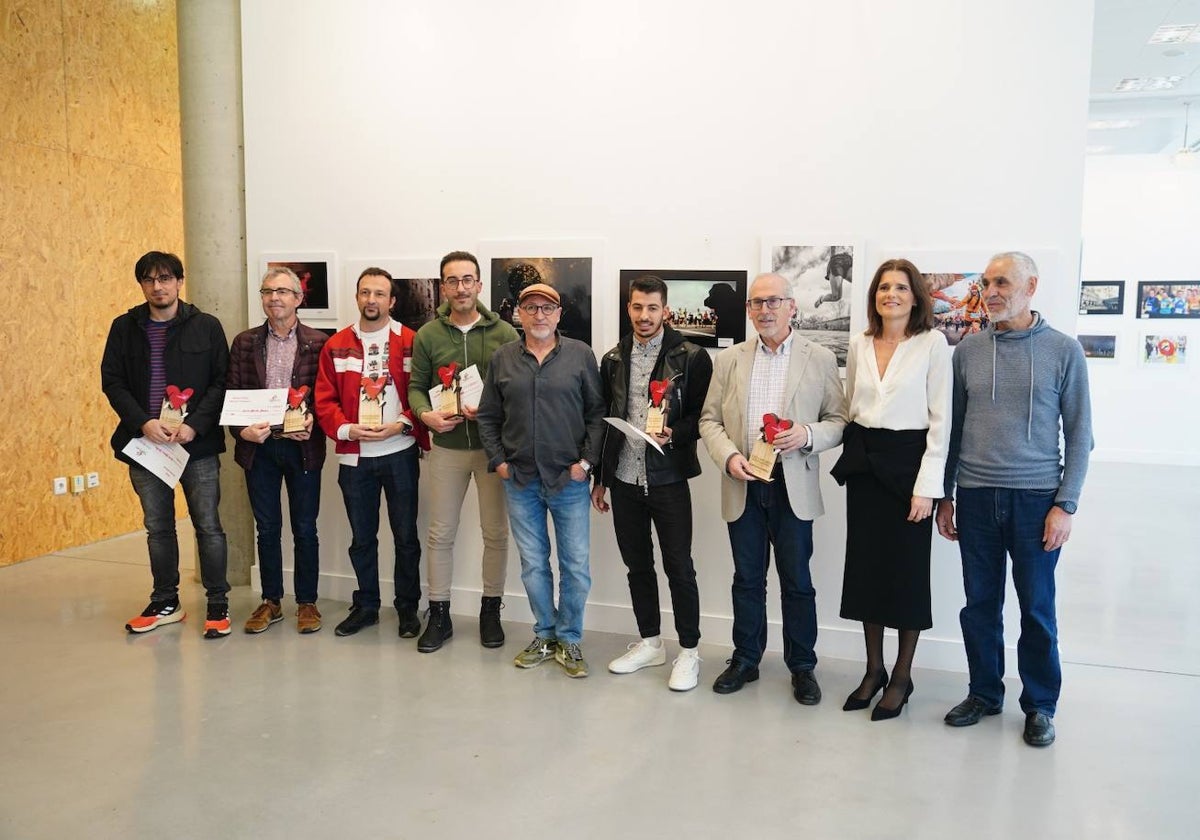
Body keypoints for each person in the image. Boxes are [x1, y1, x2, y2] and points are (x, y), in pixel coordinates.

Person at [936, 251, 1092, 748]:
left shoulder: (1064, 351)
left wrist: (1065, 505)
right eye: (985, 283)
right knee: (979, 605)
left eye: (1002, 282)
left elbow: (1081, 434)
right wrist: (947, 495)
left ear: (1031, 286)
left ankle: (1040, 704)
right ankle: (984, 692)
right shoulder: (968, 351)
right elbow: (953, 430)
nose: (991, 291)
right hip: (977, 498)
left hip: (1035, 500)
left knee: (1036, 610)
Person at [699, 273, 847, 702]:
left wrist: (806, 434)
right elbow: (709, 420)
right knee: (746, 579)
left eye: (774, 301)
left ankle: (802, 666)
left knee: (797, 581)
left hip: (792, 486)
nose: (765, 310)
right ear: (748, 309)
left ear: (791, 307)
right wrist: (728, 456)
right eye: (757, 303)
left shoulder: (818, 358)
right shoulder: (729, 360)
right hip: (743, 482)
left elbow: (838, 423)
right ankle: (746, 658)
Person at [831, 259, 952, 720]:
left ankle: (902, 675)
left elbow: (941, 422)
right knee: (865, 571)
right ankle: (873, 669)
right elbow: (850, 407)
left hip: (909, 469)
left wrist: (928, 489)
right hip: (865, 465)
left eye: (901, 287)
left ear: (916, 296)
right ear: (874, 296)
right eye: (884, 287)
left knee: (904, 575)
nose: (891, 295)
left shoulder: (933, 343)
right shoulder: (859, 344)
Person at [476, 283, 605, 678]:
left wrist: (586, 462)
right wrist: (499, 462)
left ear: (559, 313)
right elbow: (487, 417)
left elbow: (597, 413)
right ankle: (545, 635)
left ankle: (569, 639)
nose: (539, 315)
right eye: (531, 307)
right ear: (519, 313)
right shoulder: (503, 358)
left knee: (576, 566)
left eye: (547, 307)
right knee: (533, 565)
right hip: (520, 480)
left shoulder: (581, 355)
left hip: (569, 479)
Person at [591, 275, 713, 691]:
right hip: (625, 478)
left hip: (668, 478)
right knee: (637, 566)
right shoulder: (611, 359)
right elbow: (605, 420)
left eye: (653, 308)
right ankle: (649, 642)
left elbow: (703, 416)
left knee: (680, 567)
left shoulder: (692, 357)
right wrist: (601, 479)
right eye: (638, 307)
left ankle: (690, 652)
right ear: (629, 308)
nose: (645, 316)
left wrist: (675, 433)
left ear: (666, 310)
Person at [101, 251, 232, 637]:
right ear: (141, 285)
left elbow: (221, 382)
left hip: (197, 446)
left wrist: (195, 426)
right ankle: (165, 602)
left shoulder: (206, 326)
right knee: (158, 527)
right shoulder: (124, 327)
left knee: (208, 526)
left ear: (179, 281)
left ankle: (218, 604)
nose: (157, 286)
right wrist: (142, 422)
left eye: (165, 278)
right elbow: (112, 381)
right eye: (148, 280)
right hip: (145, 444)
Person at [407, 251, 519, 653]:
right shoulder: (428, 335)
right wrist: (426, 416)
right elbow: (416, 385)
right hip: (448, 448)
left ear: (479, 285)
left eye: (467, 279)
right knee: (440, 534)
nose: (460, 288)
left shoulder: (505, 333)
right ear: (443, 287)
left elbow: (517, 389)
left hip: (492, 451)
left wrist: (492, 410)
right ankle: (439, 614)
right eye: (452, 281)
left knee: (496, 534)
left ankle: (491, 610)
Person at [315, 268, 429, 638]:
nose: (371, 300)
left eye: (380, 294)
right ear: (357, 297)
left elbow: (423, 392)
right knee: (362, 537)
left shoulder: (411, 340)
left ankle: (408, 607)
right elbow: (324, 398)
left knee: (405, 536)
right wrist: (347, 429)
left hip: (400, 451)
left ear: (392, 301)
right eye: (365, 293)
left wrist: (404, 423)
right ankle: (366, 605)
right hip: (355, 456)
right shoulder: (336, 344)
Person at [227, 266, 328, 634]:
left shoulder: (319, 342)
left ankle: (307, 602)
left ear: (299, 298)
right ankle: (271, 600)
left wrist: (313, 421)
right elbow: (232, 395)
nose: (275, 298)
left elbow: (324, 396)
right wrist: (242, 431)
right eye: (268, 291)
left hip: (302, 448)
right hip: (260, 448)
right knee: (267, 528)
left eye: (283, 291)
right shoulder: (244, 342)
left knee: (305, 527)